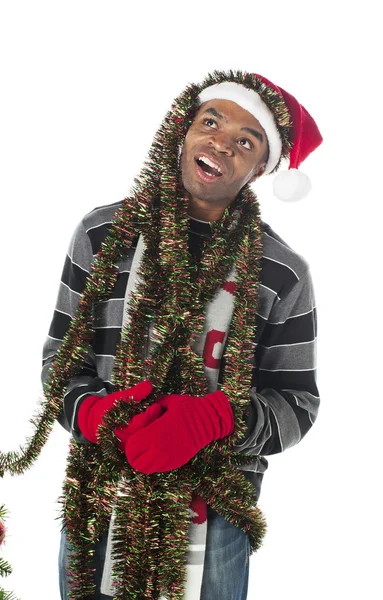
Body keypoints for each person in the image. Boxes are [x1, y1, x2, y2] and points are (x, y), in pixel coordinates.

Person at [42, 70, 322, 600]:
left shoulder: (282, 271)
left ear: (262, 166)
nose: (221, 143)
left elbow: (298, 404)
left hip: (217, 510)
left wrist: (218, 418)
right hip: (101, 498)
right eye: (210, 121)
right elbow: (60, 363)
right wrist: (99, 416)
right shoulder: (103, 235)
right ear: (183, 130)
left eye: (246, 140)